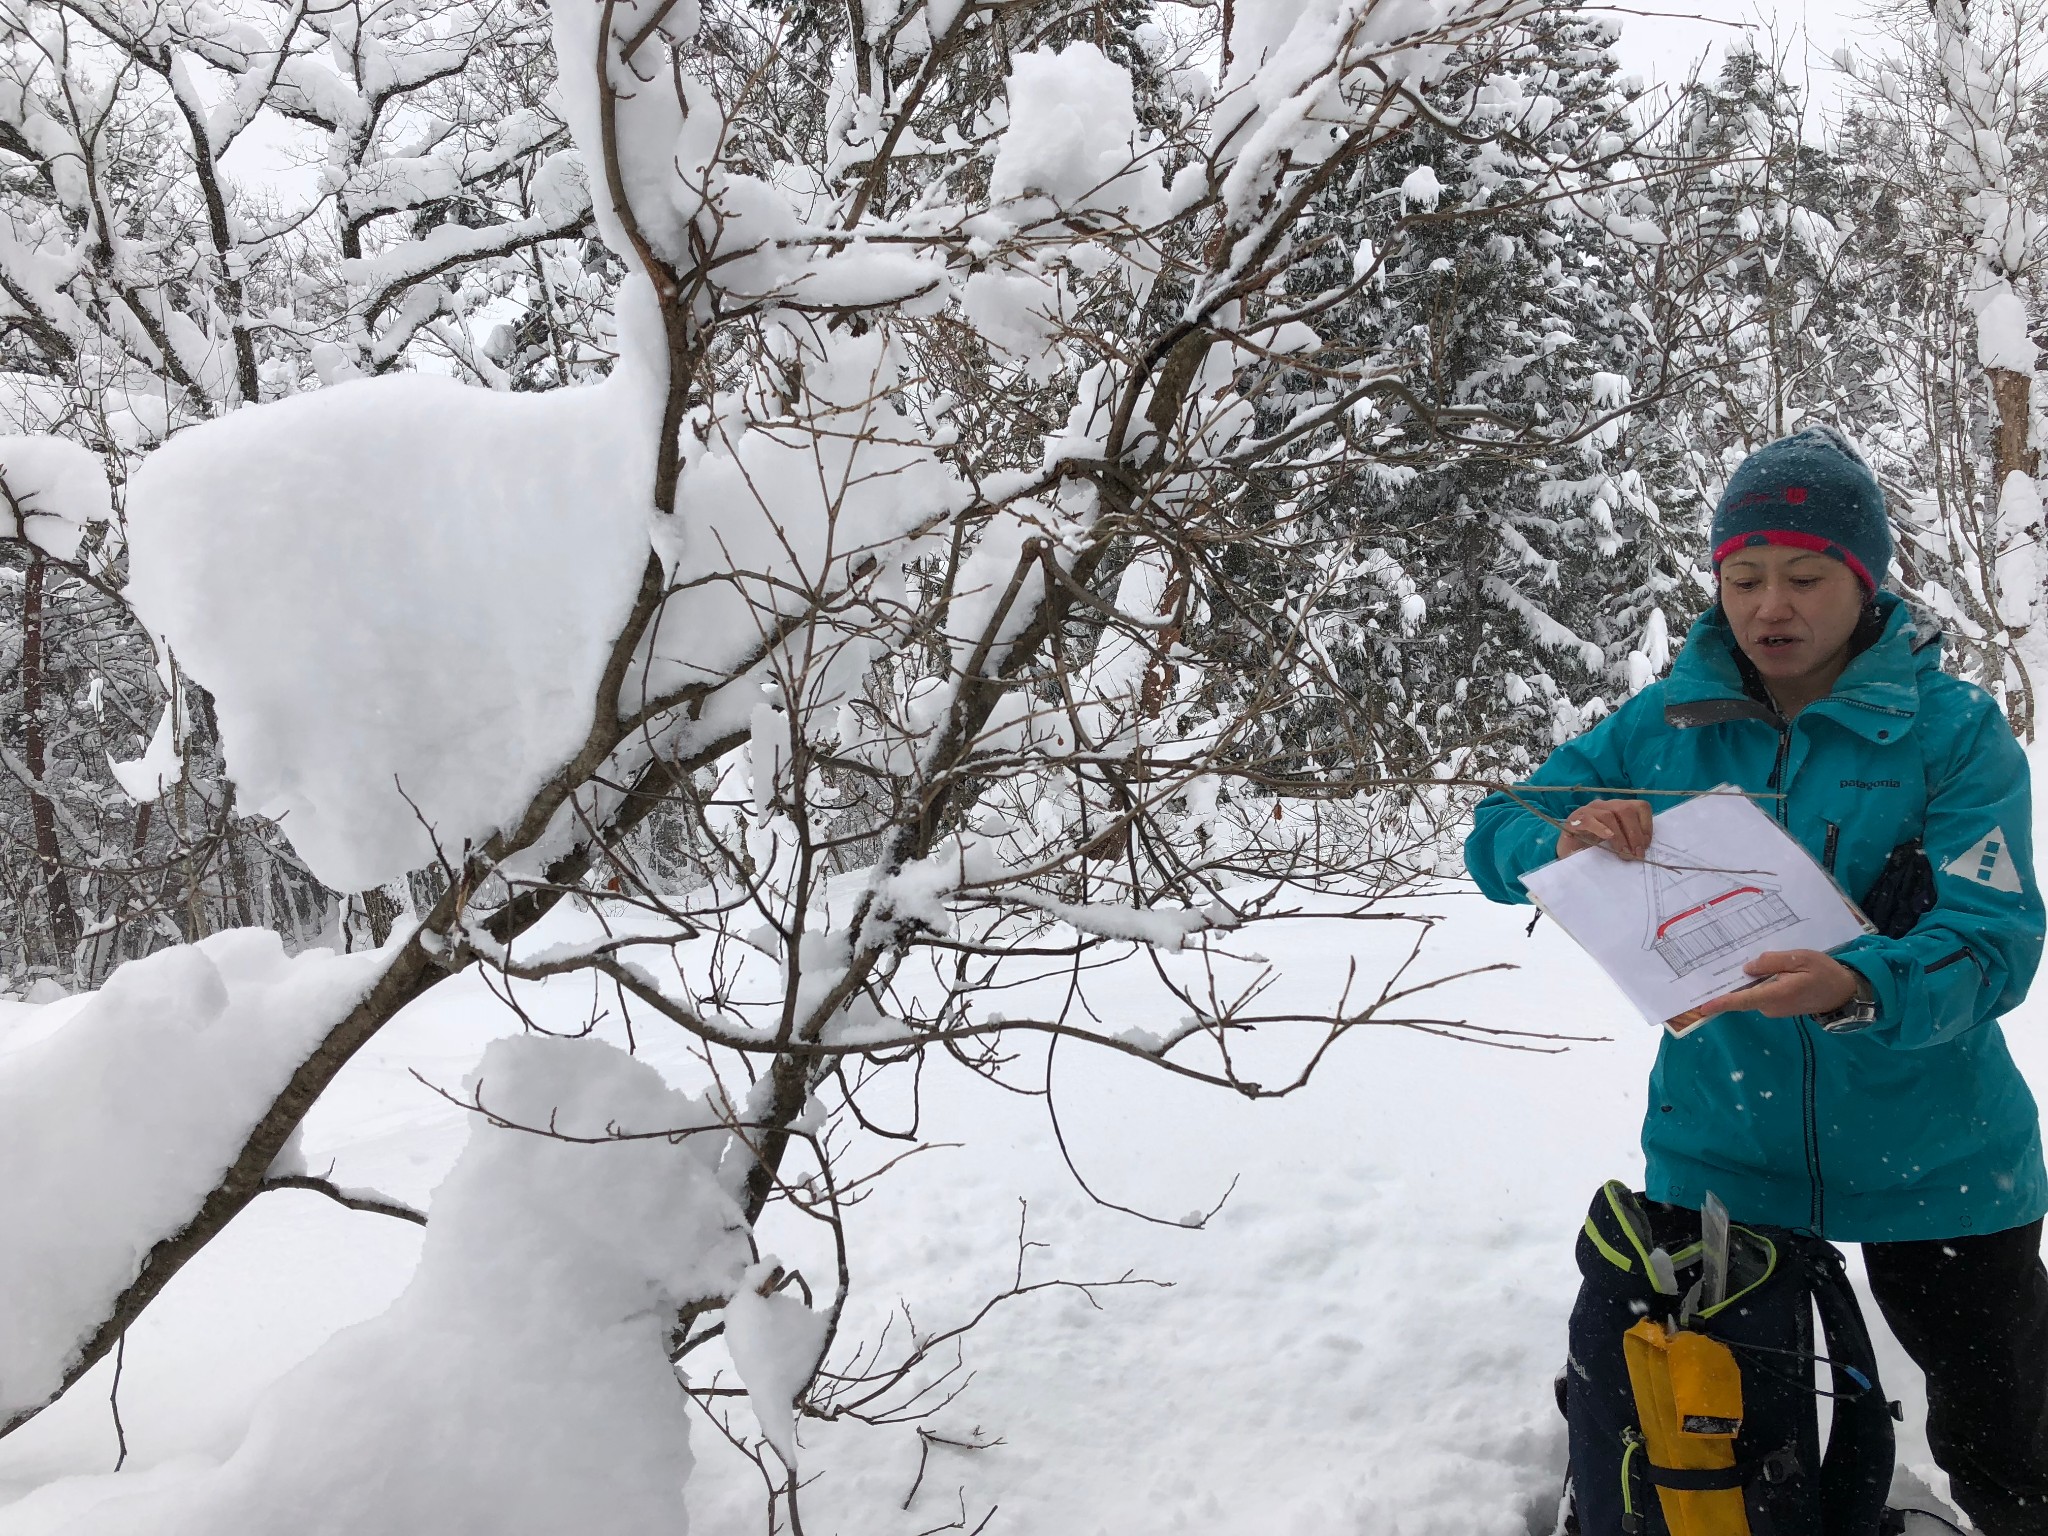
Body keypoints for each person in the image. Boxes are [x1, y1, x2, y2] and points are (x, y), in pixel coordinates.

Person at [1464, 426, 2048, 1535]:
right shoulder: (1665, 724)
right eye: (1741, 578)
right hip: (1724, 1146)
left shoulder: (1953, 736)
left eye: (1802, 576)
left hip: (1943, 1157)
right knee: (1712, 1444)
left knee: (2009, 1458)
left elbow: (1992, 943)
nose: (1767, 606)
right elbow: (1501, 830)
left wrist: (1852, 984)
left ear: (1862, 580)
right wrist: (1570, 832)